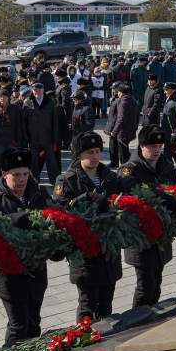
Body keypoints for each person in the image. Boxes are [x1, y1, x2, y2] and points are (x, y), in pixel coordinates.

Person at [0, 148, 53, 346]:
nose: (22, 179)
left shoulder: (38, 193)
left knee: (34, 322)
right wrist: (14, 220)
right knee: (18, 326)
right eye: (16, 174)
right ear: (5, 174)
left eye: (25, 174)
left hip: (36, 270)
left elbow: (55, 215)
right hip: (10, 276)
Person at [52, 132, 122, 320]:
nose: (95, 156)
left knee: (106, 305)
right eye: (89, 152)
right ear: (79, 155)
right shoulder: (67, 180)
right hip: (85, 255)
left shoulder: (109, 176)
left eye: (97, 151)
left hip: (109, 252)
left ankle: (107, 335)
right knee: (87, 307)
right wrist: (84, 198)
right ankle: (84, 337)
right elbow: (59, 211)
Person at [118, 125, 176, 307]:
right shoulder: (129, 169)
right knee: (145, 286)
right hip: (141, 239)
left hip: (162, 235)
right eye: (152, 146)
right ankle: (139, 319)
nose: (157, 150)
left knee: (157, 283)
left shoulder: (166, 165)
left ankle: (154, 317)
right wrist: (160, 194)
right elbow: (130, 191)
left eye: (159, 146)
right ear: (142, 146)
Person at [23, 82, 60, 184]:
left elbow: (54, 121)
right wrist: (26, 137)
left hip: (47, 138)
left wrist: (55, 138)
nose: (36, 92)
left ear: (43, 90)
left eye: (39, 90)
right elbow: (24, 121)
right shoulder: (27, 102)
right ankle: (34, 182)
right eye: (34, 90)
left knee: (51, 161)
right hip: (33, 138)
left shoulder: (50, 102)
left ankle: (55, 181)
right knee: (33, 162)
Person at [108, 83, 138, 166]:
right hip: (129, 129)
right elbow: (137, 116)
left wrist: (114, 131)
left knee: (123, 154)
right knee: (124, 151)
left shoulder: (123, 101)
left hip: (123, 131)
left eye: (118, 92)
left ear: (121, 92)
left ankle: (125, 170)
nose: (117, 94)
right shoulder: (132, 99)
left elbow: (121, 118)